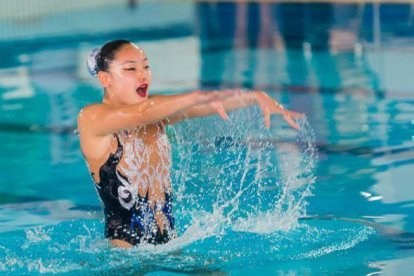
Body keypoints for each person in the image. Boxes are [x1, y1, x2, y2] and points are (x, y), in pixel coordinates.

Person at [77, 39, 303, 248]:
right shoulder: (92, 118)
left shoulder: (157, 114)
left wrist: (255, 97)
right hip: (125, 258)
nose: (142, 75)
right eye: (130, 69)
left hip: (168, 247)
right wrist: (194, 96)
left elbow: (203, 107)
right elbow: (144, 113)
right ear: (105, 79)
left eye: (146, 67)